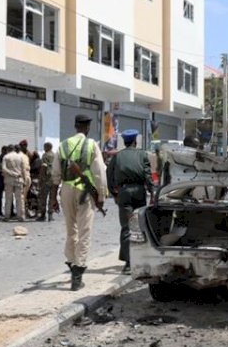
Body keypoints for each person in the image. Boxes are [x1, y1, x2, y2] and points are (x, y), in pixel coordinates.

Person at [52, 115, 108, 291]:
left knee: (71, 229)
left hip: (66, 189)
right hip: (84, 191)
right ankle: (77, 273)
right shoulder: (92, 145)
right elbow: (99, 173)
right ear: (87, 128)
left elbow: (55, 173)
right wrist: (101, 196)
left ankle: (71, 261)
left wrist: (53, 198)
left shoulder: (62, 145)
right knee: (85, 231)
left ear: (75, 126)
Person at [107, 129, 154, 275]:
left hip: (124, 192)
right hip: (139, 192)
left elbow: (109, 174)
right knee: (140, 226)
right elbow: (147, 175)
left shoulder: (117, 156)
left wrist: (113, 193)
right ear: (135, 141)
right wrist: (152, 192)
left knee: (126, 227)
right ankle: (141, 259)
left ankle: (128, 264)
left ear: (125, 142)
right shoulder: (142, 154)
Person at [2, 144, 29, 222]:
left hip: (9, 180)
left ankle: (7, 216)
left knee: (8, 198)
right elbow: (23, 170)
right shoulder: (20, 157)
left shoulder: (6, 157)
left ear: (8, 150)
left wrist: (11, 173)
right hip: (19, 179)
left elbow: (4, 169)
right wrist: (24, 180)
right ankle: (21, 216)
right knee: (20, 199)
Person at [37, 142, 58, 222]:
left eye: (44, 146)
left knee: (43, 197)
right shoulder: (56, 155)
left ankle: (43, 215)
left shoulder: (45, 155)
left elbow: (43, 167)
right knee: (52, 197)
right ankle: (50, 215)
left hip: (46, 179)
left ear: (47, 147)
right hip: (54, 178)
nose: (43, 148)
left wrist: (40, 178)